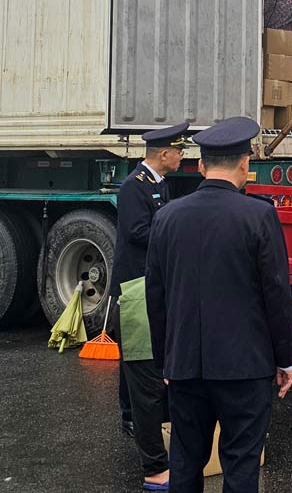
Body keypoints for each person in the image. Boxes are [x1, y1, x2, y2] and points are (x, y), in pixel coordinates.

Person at [145, 117, 292, 493]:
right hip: (245, 368)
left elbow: (156, 296)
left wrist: (165, 360)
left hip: (185, 366)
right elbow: (276, 292)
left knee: (185, 461)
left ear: (200, 166)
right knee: (241, 463)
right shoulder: (259, 216)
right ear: (245, 163)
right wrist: (285, 358)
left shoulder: (166, 217)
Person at [112, 122, 189, 490]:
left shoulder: (160, 185)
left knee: (141, 361)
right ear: (163, 154)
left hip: (153, 284)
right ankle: (142, 434)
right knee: (141, 361)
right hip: (136, 286)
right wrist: (172, 230)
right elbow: (136, 232)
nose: (182, 155)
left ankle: (135, 417)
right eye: (179, 150)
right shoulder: (134, 187)